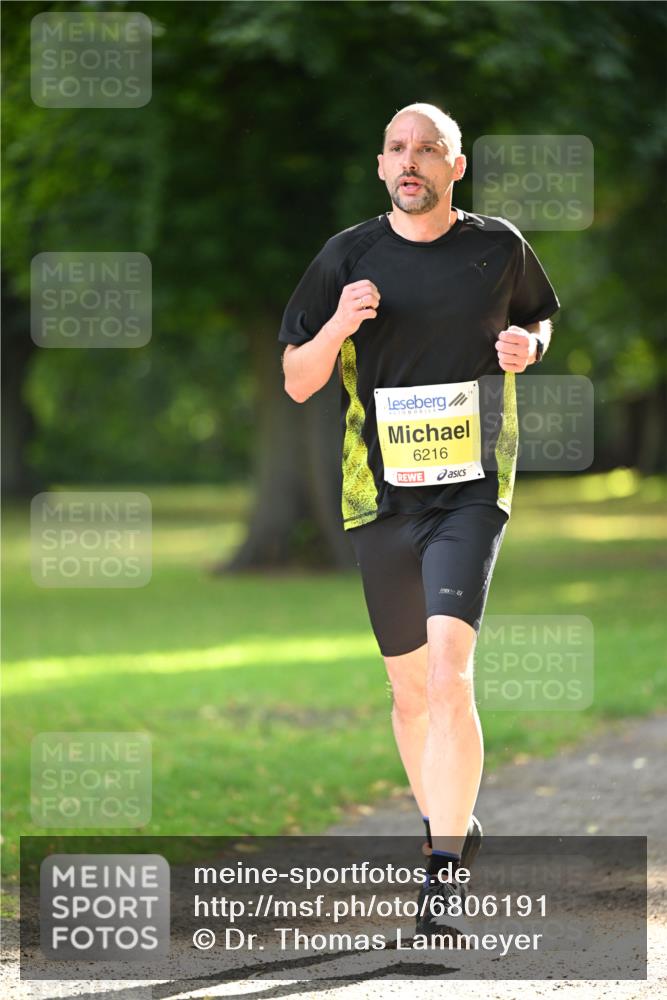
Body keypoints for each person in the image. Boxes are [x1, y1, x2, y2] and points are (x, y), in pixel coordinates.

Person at [277, 102, 560, 940]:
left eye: (428, 150)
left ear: (454, 167)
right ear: (380, 166)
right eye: (398, 149)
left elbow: (536, 316)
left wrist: (529, 347)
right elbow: (297, 379)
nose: (412, 162)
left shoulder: (496, 245)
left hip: (469, 490)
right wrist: (339, 320)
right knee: (407, 694)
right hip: (378, 499)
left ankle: (439, 873)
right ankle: (453, 823)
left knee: (448, 675)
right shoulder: (346, 256)